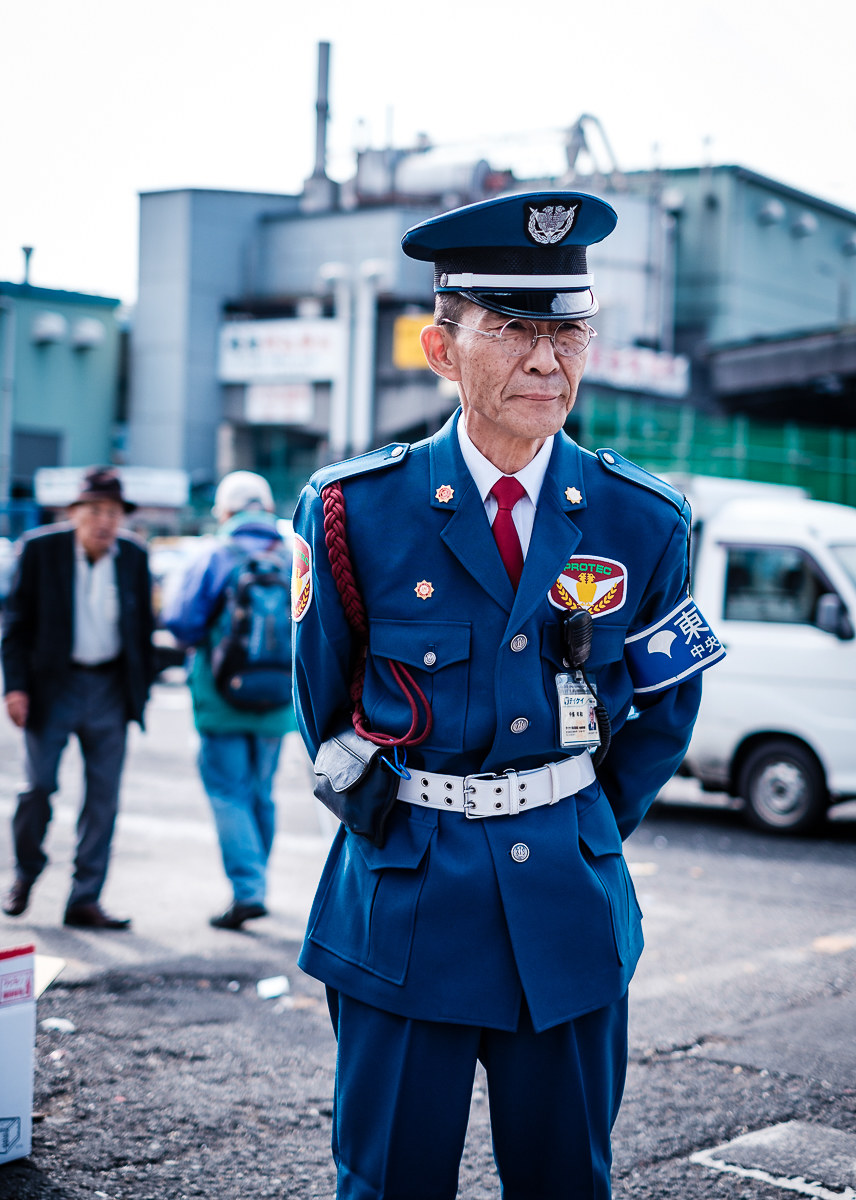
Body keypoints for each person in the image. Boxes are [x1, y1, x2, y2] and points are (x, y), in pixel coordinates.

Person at [291, 191, 726, 1200]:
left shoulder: (643, 518)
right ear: (442, 351)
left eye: (568, 330)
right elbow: (323, 700)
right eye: (515, 331)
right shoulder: (353, 509)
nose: (547, 360)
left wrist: (574, 818)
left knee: (567, 1181)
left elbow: (664, 708)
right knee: (389, 1181)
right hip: (403, 898)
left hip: (566, 906)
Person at [1, 467, 155, 928]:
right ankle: (26, 871)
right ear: (74, 514)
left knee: (103, 798)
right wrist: (15, 687)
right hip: (53, 685)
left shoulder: (132, 556)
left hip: (109, 687)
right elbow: (15, 625)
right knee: (38, 787)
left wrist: (140, 687)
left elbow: (143, 629)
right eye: (94, 511)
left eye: (112, 512)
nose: (103, 521)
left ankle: (85, 897)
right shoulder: (40, 550)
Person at [162, 471, 295, 930]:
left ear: (225, 511)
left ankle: (247, 890)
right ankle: (257, 882)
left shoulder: (215, 554)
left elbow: (181, 623)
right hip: (280, 699)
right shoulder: (294, 553)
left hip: (221, 698)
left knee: (227, 792)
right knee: (262, 793)